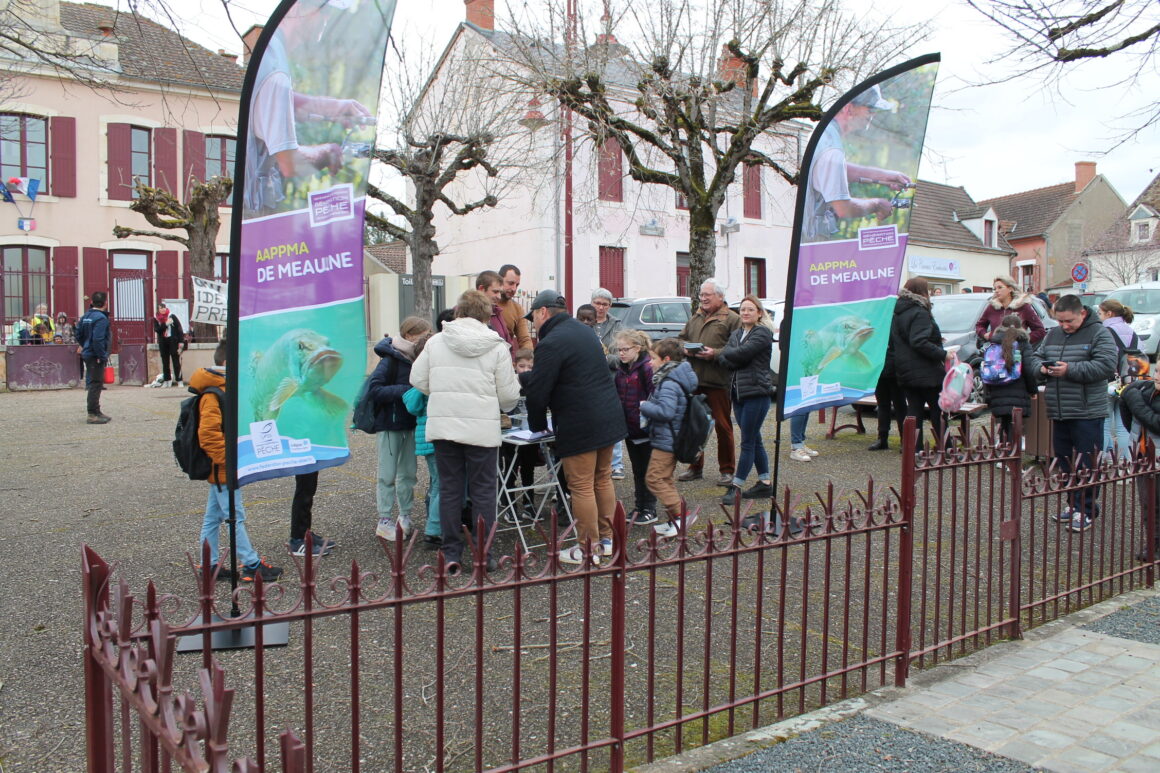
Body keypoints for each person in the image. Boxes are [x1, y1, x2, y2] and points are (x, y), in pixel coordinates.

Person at [410, 290, 521, 573]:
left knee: (449, 490)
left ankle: (451, 554)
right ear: (486, 315)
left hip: (445, 426)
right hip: (481, 429)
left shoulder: (436, 342)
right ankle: (485, 555)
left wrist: (443, 392)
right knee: (484, 491)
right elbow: (509, 397)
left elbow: (417, 378)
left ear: (458, 310)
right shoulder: (496, 346)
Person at [522, 289, 628, 565]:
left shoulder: (551, 342)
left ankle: (588, 548)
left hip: (580, 421)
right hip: (608, 414)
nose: (533, 323)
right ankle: (607, 541)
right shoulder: (584, 331)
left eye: (533, 316)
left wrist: (536, 426)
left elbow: (538, 392)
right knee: (602, 479)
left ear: (543, 312)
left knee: (580, 485)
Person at [242, 2, 371, 215]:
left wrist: (333, 108)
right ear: (295, 8)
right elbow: (288, 162)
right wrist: (328, 152)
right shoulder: (277, 74)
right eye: (323, 12)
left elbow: (279, 102)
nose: (325, 21)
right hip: (256, 216)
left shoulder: (272, 55)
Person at [192, 339, 283, 583]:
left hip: (223, 468)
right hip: (223, 468)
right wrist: (228, 462)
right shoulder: (214, 394)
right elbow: (208, 436)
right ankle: (251, 564)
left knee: (213, 517)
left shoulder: (225, 390)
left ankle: (209, 565)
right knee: (235, 516)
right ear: (226, 363)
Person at [1026, 294, 1118, 533]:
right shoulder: (1054, 334)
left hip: (1087, 410)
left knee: (1087, 463)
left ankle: (1087, 509)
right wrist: (1042, 369)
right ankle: (1073, 504)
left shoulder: (1099, 333)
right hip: (1059, 409)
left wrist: (1070, 370)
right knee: (1065, 462)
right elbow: (1035, 357)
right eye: (1060, 321)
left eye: (1069, 321)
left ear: (1082, 314)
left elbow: (1107, 365)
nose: (1064, 326)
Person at [802, 84, 912, 242]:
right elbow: (842, 208)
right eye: (870, 108)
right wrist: (877, 204)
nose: (873, 114)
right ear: (849, 109)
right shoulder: (832, 148)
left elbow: (835, 170)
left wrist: (885, 176)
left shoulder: (826, 136)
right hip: (811, 243)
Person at [702, 295, 774, 502]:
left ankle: (736, 485)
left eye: (750, 309)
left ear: (759, 312)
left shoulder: (763, 333)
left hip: (756, 393)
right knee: (755, 438)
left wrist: (732, 354)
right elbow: (726, 359)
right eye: (742, 309)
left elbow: (740, 354)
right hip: (738, 393)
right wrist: (733, 354)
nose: (745, 313)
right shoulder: (737, 333)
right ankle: (765, 483)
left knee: (748, 441)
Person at [369, 316, 433, 541]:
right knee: (387, 473)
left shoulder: (421, 357)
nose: (425, 339)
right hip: (390, 424)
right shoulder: (390, 358)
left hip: (411, 423)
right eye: (422, 335)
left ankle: (404, 516)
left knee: (408, 473)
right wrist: (406, 390)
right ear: (409, 335)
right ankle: (384, 519)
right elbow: (375, 389)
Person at [679, 279, 741, 485]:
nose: (703, 298)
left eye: (708, 295)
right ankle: (695, 467)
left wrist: (715, 354)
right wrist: (685, 348)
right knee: (695, 426)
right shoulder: (695, 316)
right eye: (701, 295)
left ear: (720, 297)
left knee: (723, 427)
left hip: (718, 381)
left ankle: (727, 470)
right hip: (694, 379)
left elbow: (737, 349)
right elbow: (681, 338)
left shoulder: (732, 319)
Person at [641, 338, 699, 538]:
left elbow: (666, 412)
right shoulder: (674, 377)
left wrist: (644, 405)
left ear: (666, 359)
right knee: (665, 478)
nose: (650, 362)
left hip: (667, 439)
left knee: (654, 479)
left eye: (653, 358)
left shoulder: (669, 382)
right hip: (670, 437)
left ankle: (683, 516)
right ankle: (675, 519)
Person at [890, 277, 950, 447]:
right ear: (922, 292)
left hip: (905, 370)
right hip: (926, 371)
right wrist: (943, 354)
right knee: (938, 411)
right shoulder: (919, 311)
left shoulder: (898, 311)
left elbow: (904, 340)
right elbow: (919, 341)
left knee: (914, 411)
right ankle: (946, 448)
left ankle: (914, 450)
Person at [610, 329, 658, 525]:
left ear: (637, 348)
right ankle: (640, 506)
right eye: (619, 349)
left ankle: (650, 508)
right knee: (637, 470)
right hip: (630, 428)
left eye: (625, 349)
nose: (621, 353)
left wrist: (644, 415)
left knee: (647, 469)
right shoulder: (622, 368)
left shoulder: (646, 367)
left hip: (645, 428)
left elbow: (653, 395)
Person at [402, 333, 441, 549]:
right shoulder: (431, 378)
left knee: (436, 482)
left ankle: (433, 521)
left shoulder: (420, 377)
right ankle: (434, 530)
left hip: (425, 439)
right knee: (442, 483)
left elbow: (413, 407)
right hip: (434, 437)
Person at [1117, 367, 1160, 562]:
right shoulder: (1146, 391)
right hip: (1143, 456)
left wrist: (1134, 400)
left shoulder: (1139, 396)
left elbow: (1155, 422)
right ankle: (1153, 544)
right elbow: (1128, 417)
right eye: (1157, 371)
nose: (1157, 376)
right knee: (1148, 504)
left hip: (1157, 457)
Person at [983, 314, 1038, 445]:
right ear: (1022, 327)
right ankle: (1012, 460)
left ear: (1000, 327)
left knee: (1004, 423)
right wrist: (1033, 390)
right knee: (1015, 426)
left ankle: (1003, 457)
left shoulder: (994, 342)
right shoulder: (1023, 343)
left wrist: (988, 393)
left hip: (998, 389)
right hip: (1018, 390)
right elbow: (1029, 369)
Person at [1098, 298, 1140, 460]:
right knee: (1123, 426)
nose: (1099, 316)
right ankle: (1125, 462)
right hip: (1129, 383)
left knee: (1105, 424)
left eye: (1100, 313)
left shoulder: (1103, 331)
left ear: (1109, 313)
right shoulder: (1132, 332)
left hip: (1108, 382)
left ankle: (1103, 459)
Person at [975, 275, 1046, 346]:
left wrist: (1022, 341)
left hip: (1016, 353)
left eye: (1000, 287)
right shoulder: (991, 307)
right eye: (995, 288)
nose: (996, 291)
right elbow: (979, 325)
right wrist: (985, 334)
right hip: (996, 352)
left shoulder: (1023, 307)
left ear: (1010, 289)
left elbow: (1040, 331)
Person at [76, 291, 112, 424]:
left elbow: (78, 334)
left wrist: (85, 345)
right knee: (96, 384)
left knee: (94, 383)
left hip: (88, 352)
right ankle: (92, 413)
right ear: (105, 303)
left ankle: (97, 411)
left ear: (91, 302)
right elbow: (98, 339)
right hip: (95, 354)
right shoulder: (101, 318)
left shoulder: (86, 316)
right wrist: (101, 355)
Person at [868, 339, 907, 451]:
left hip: (896, 371)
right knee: (883, 405)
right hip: (880, 370)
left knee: (900, 406)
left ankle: (904, 440)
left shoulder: (896, 324)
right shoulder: (879, 326)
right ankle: (882, 438)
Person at [476, 270, 517, 358]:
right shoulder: (463, 312)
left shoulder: (496, 312)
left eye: (500, 292)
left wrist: (512, 362)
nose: (499, 297)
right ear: (481, 289)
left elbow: (508, 344)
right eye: (495, 292)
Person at [497, 264, 533, 351]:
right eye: (510, 283)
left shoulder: (517, 309)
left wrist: (527, 360)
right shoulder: (483, 304)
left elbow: (525, 340)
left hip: (506, 359)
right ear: (499, 280)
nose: (514, 289)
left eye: (517, 285)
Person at [152, 302, 186, 387]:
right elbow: (157, 330)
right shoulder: (156, 319)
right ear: (158, 310)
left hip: (172, 341)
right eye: (161, 308)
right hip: (163, 341)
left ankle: (179, 380)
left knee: (175, 360)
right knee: (165, 361)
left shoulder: (172, 316)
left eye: (164, 308)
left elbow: (179, 328)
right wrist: (165, 324)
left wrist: (181, 341)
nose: (163, 309)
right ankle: (167, 380)